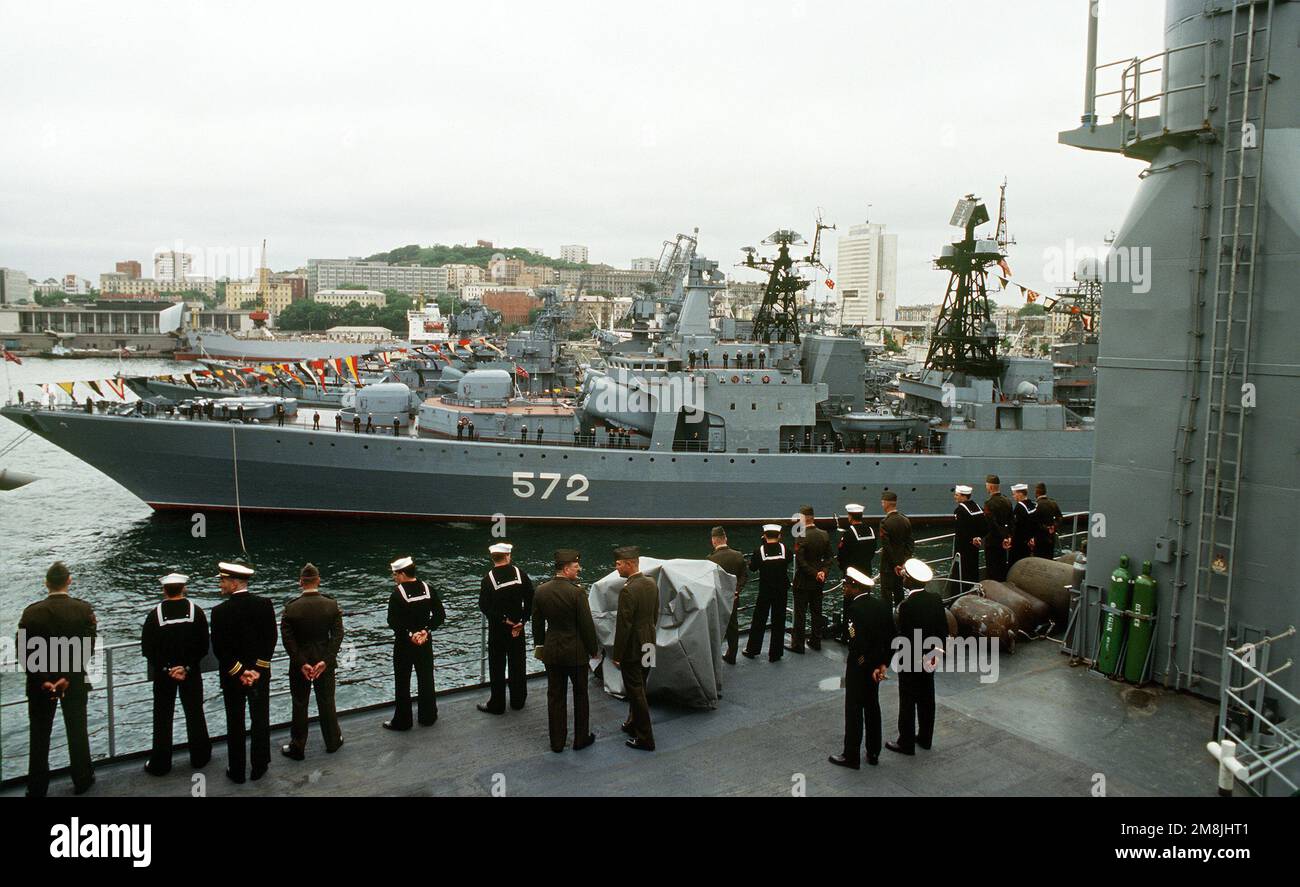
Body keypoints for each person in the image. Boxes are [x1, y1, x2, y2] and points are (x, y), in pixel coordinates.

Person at [19, 561, 97, 797]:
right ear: (69, 581)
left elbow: (24, 652)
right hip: (73, 683)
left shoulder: (31, 612)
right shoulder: (83, 610)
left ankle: (37, 787)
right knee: (77, 730)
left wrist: (44, 679)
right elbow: (87, 649)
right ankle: (82, 780)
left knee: (39, 735)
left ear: (46, 583)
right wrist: (67, 677)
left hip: (40, 686)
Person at [210, 560, 277, 784]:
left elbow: (220, 648)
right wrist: (256, 670)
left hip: (232, 677)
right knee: (260, 719)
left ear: (235, 582)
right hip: (260, 675)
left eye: (223, 580)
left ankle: (237, 769)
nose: (220, 584)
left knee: (235, 721)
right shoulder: (265, 605)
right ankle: (260, 765)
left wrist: (239, 671)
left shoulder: (219, 612)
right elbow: (270, 640)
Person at [140, 572, 211, 777]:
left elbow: (147, 649)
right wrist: (186, 667)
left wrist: (167, 668)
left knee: (162, 717)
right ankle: (200, 756)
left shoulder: (155, 615)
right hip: (191, 673)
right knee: (195, 713)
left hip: (164, 675)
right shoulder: (196, 612)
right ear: (184, 588)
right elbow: (203, 646)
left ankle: (160, 763)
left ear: (164, 590)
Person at [828, 568, 897, 770]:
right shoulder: (883, 606)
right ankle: (874, 751)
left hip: (860, 667)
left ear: (854, 587)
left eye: (846, 585)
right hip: (877, 666)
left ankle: (851, 755)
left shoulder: (854, 610)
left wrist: (862, 664)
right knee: (873, 707)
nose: (844, 589)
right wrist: (883, 663)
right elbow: (892, 638)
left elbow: (856, 641)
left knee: (854, 709)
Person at [532, 549, 599, 752]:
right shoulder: (577, 592)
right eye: (576, 566)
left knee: (555, 697)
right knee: (580, 696)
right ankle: (580, 739)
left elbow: (536, 624)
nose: (578, 569)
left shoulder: (541, 591)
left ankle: (557, 742)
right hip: (576, 653)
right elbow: (586, 626)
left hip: (552, 652)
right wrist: (593, 650)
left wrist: (541, 646)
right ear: (566, 568)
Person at [280, 563, 344, 760]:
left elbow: (288, 640)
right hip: (324, 662)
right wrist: (326, 660)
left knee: (300, 703)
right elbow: (338, 635)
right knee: (326, 701)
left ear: (301, 582)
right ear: (318, 580)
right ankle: (332, 741)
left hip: (301, 665)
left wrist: (301, 663)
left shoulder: (291, 608)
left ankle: (297, 746)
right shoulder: (330, 605)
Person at [887, 559, 948, 757]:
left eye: (905, 577)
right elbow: (942, 631)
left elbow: (904, 637)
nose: (903, 579)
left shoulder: (905, 606)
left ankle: (906, 742)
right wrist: (935, 655)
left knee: (907, 700)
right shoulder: (936, 599)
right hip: (930, 658)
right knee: (927, 698)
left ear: (910, 581)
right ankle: (925, 738)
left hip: (910, 659)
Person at [384, 556, 444, 730]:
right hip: (425, 641)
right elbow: (440, 615)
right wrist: (426, 630)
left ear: (402, 574)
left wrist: (410, 634)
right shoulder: (428, 588)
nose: (394, 577)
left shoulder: (397, 594)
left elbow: (392, 621)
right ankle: (428, 715)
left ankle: (402, 721)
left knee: (402, 681)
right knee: (426, 678)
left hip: (404, 644)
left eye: (395, 574)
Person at [477, 542, 535, 714]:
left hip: (498, 629)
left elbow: (484, 606)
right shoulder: (520, 574)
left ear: (492, 558)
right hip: (518, 628)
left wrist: (504, 620)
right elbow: (531, 598)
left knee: (497, 666)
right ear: (508, 556)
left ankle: (497, 703)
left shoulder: (488, 579)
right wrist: (522, 620)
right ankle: (518, 700)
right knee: (518, 664)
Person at [612, 546, 657, 751]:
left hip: (633, 648)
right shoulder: (651, 583)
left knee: (635, 691)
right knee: (642, 684)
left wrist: (618, 654)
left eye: (619, 564)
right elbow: (654, 615)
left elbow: (624, 625)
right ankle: (632, 722)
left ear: (630, 564)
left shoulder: (628, 590)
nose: (617, 568)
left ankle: (645, 737)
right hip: (649, 643)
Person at [744, 524, 791, 661]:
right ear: (779, 536)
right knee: (779, 620)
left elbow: (753, 568)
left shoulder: (759, 551)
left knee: (759, 620)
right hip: (781, 590)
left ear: (764, 536)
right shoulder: (784, 550)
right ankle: (775, 653)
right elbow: (788, 560)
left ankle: (752, 649)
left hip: (765, 590)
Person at [789, 505, 830, 653]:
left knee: (800, 614)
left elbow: (800, 561)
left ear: (804, 518)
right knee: (816, 612)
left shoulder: (801, 536)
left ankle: (798, 645)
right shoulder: (824, 534)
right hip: (818, 582)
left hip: (803, 582)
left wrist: (814, 573)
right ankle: (816, 641)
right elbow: (829, 557)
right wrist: (822, 572)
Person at [706, 527, 748, 664]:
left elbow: (709, 582)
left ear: (714, 541)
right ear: (726, 538)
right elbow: (744, 576)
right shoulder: (738, 555)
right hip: (733, 598)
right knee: (733, 627)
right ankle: (732, 655)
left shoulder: (711, 559)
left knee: (715, 627)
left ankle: (713, 657)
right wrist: (736, 590)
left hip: (718, 599)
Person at [879, 492, 914, 605]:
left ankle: (888, 620)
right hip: (902, 564)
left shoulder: (885, 523)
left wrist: (895, 564)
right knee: (899, 591)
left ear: (886, 503)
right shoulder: (905, 520)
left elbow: (887, 546)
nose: (882, 505)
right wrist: (905, 561)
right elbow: (910, 543)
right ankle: (901, 616)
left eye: (882, 503)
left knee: (886, 594)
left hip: (888, 566)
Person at [952, 485, 984, 590]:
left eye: (957, 495)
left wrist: (971, 539)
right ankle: (973, 589)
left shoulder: (960, 510)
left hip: (962, 548)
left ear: (963, 496)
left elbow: (960, 530)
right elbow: (985, 526)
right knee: (973, 570)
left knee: (961, 571)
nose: (954, 497)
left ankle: (959, 593)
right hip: (974, 548)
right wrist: (978, 537)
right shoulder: (977, 507)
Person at [983, 475, 1013, 581]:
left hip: (993, 542)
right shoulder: (1007, 501)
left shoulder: (989, 504)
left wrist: (1002, 537)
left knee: (992, 569)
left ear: (990, 487)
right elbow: (1011, 521)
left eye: (986, 486)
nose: (986, 488)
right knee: (1001, 566)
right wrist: (1008, 537)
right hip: (1004, 542)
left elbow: (991, 524)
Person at [836, 504, 877, 578]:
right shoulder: (871, 530)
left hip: (852, 573)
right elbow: (873, 549)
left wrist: (844, 569)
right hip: (867, 571)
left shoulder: (849, 533)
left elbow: (842, 554)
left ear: (850, 517)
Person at [1009, 483, 1038, 566]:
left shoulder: (1019, 507)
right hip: (1030, 541)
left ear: (1020, 494)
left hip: (1019, 544)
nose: (1013, 496)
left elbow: (1017, 526)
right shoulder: (1032, 505)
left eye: (1014, 494)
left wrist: (1011, 538)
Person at [1035, 483, 1063, 559]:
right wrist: (1053, 527)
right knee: (1049, 557)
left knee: (1039, 558)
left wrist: (1046, 528)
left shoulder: (1037, 505)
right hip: (1051, 537)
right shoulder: (1053, 503)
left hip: (1040, 537)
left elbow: (1035, 522)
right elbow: (1060, 517)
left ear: (1037, 493)